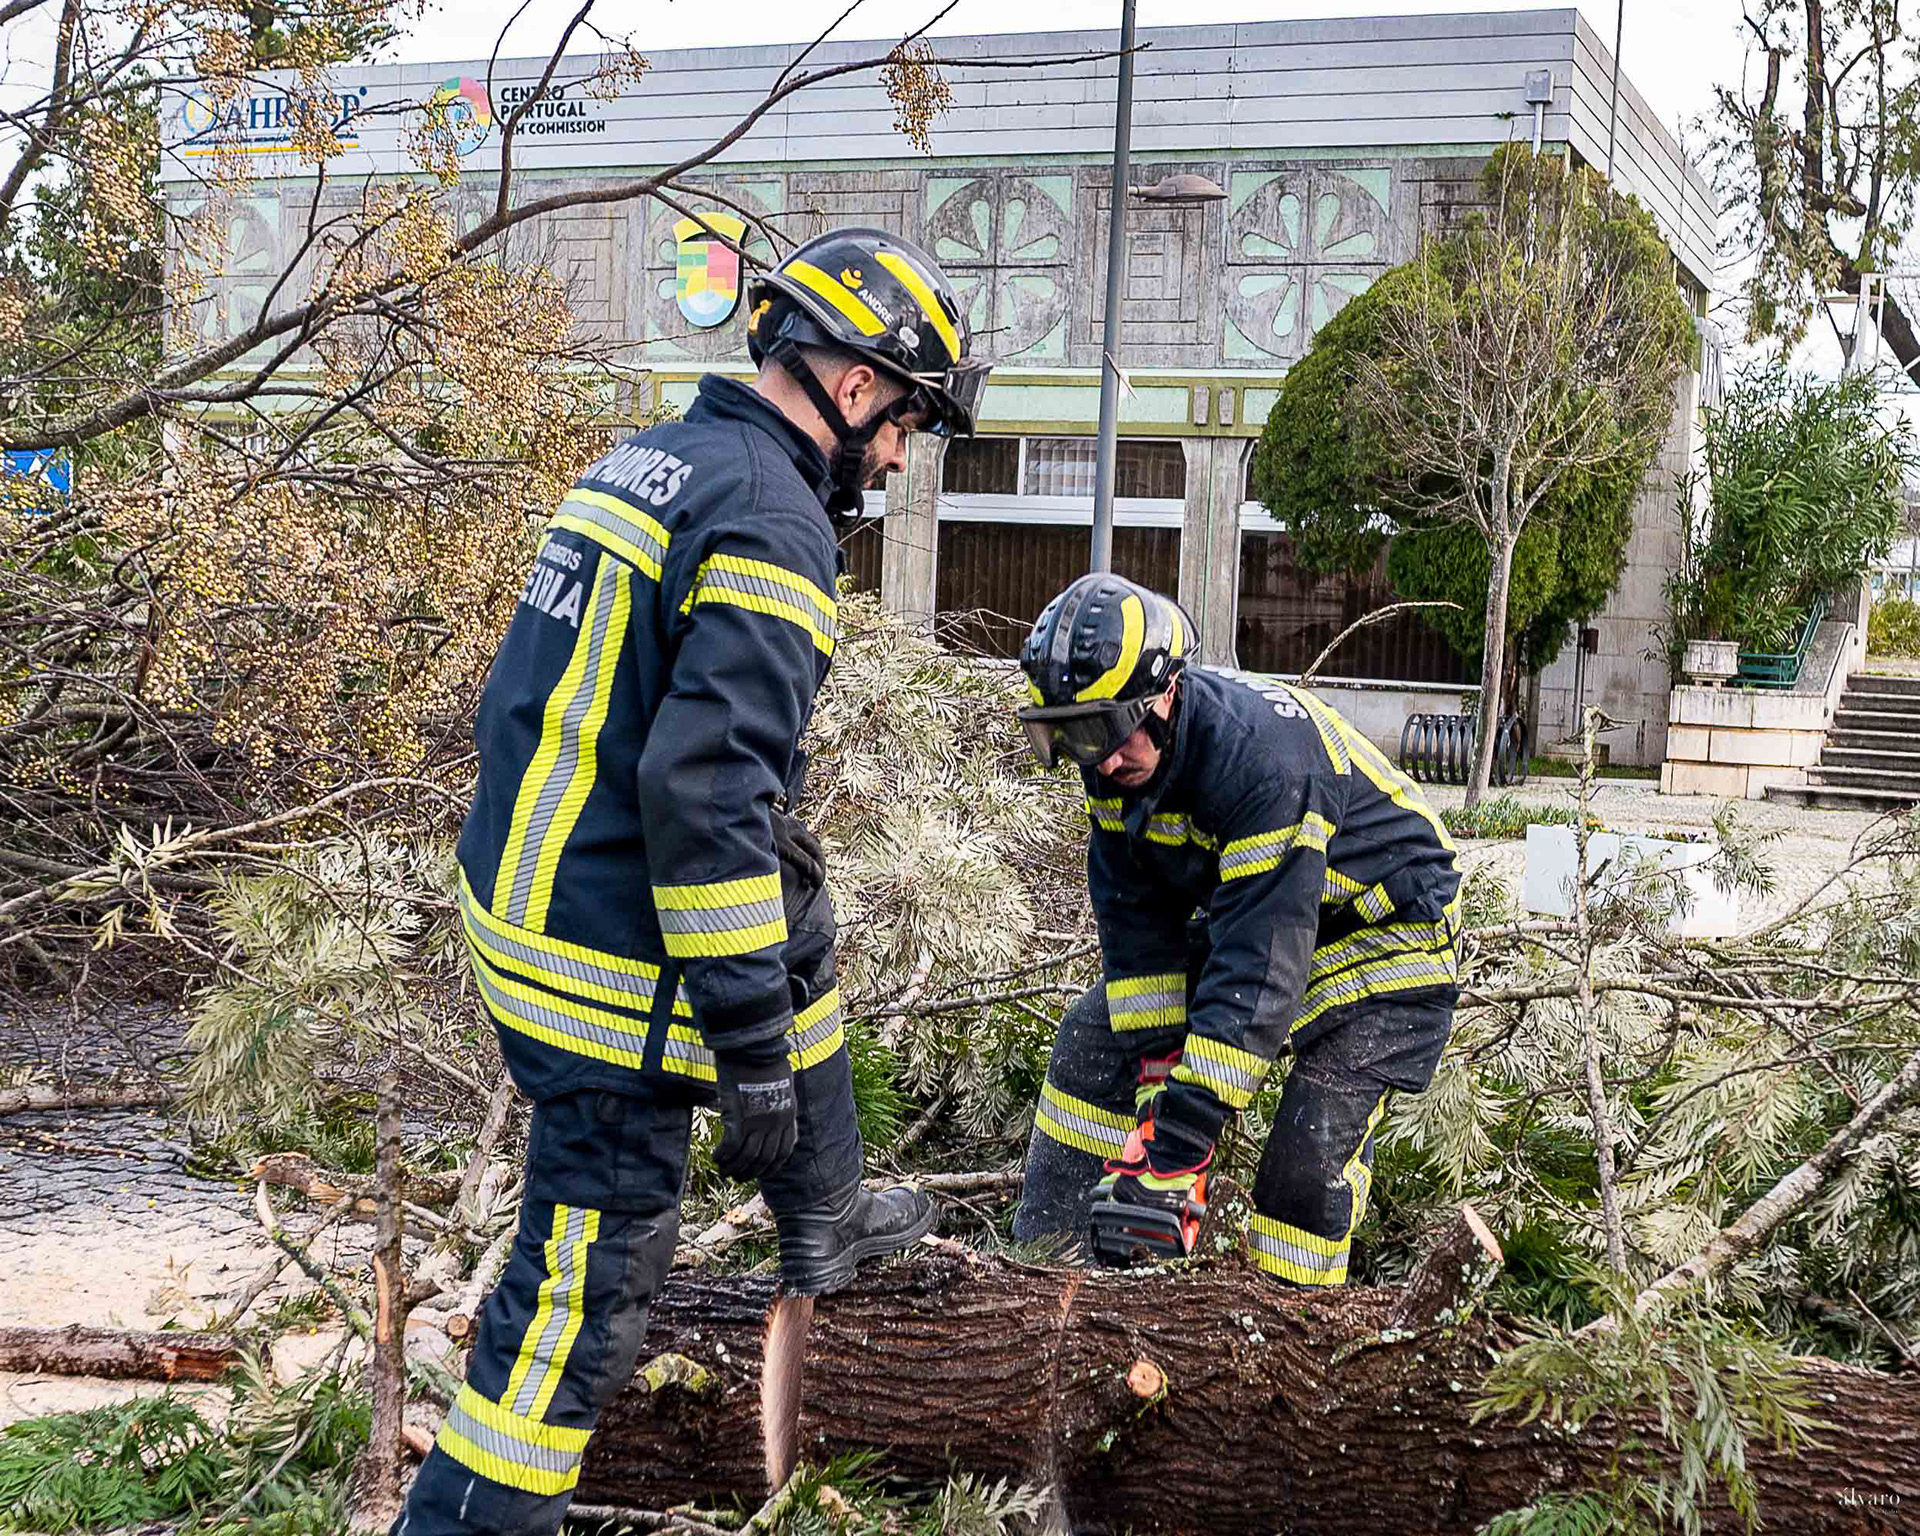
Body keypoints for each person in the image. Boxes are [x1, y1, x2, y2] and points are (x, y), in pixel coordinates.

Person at [396, 228, 990, 1535]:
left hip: (541, 897)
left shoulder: (654, 459)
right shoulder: (775, 522)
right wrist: (750, 1053)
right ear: (853, 387)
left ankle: (824, 1210)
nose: (897, 456)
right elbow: (704, 790)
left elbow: (704, 779)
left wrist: (772, 994)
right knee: (573, 1319)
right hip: (601, 960)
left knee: (795, 890)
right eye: (905, 424)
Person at [1010, 573, 1460, 1286]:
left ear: (1163, 694)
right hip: (1271, 913)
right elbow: (1139, 932)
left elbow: (1260, 973)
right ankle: (1048, 1272)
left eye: (1105, 730)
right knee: (1094, 1039)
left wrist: (1179, 1144)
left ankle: (1293, 1337)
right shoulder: (1117, 768)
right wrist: (1158, 1087)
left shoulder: (1260, 765)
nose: (1099, 759)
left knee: (1306, 1157)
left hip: (1388, 929)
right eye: (1072, 734)